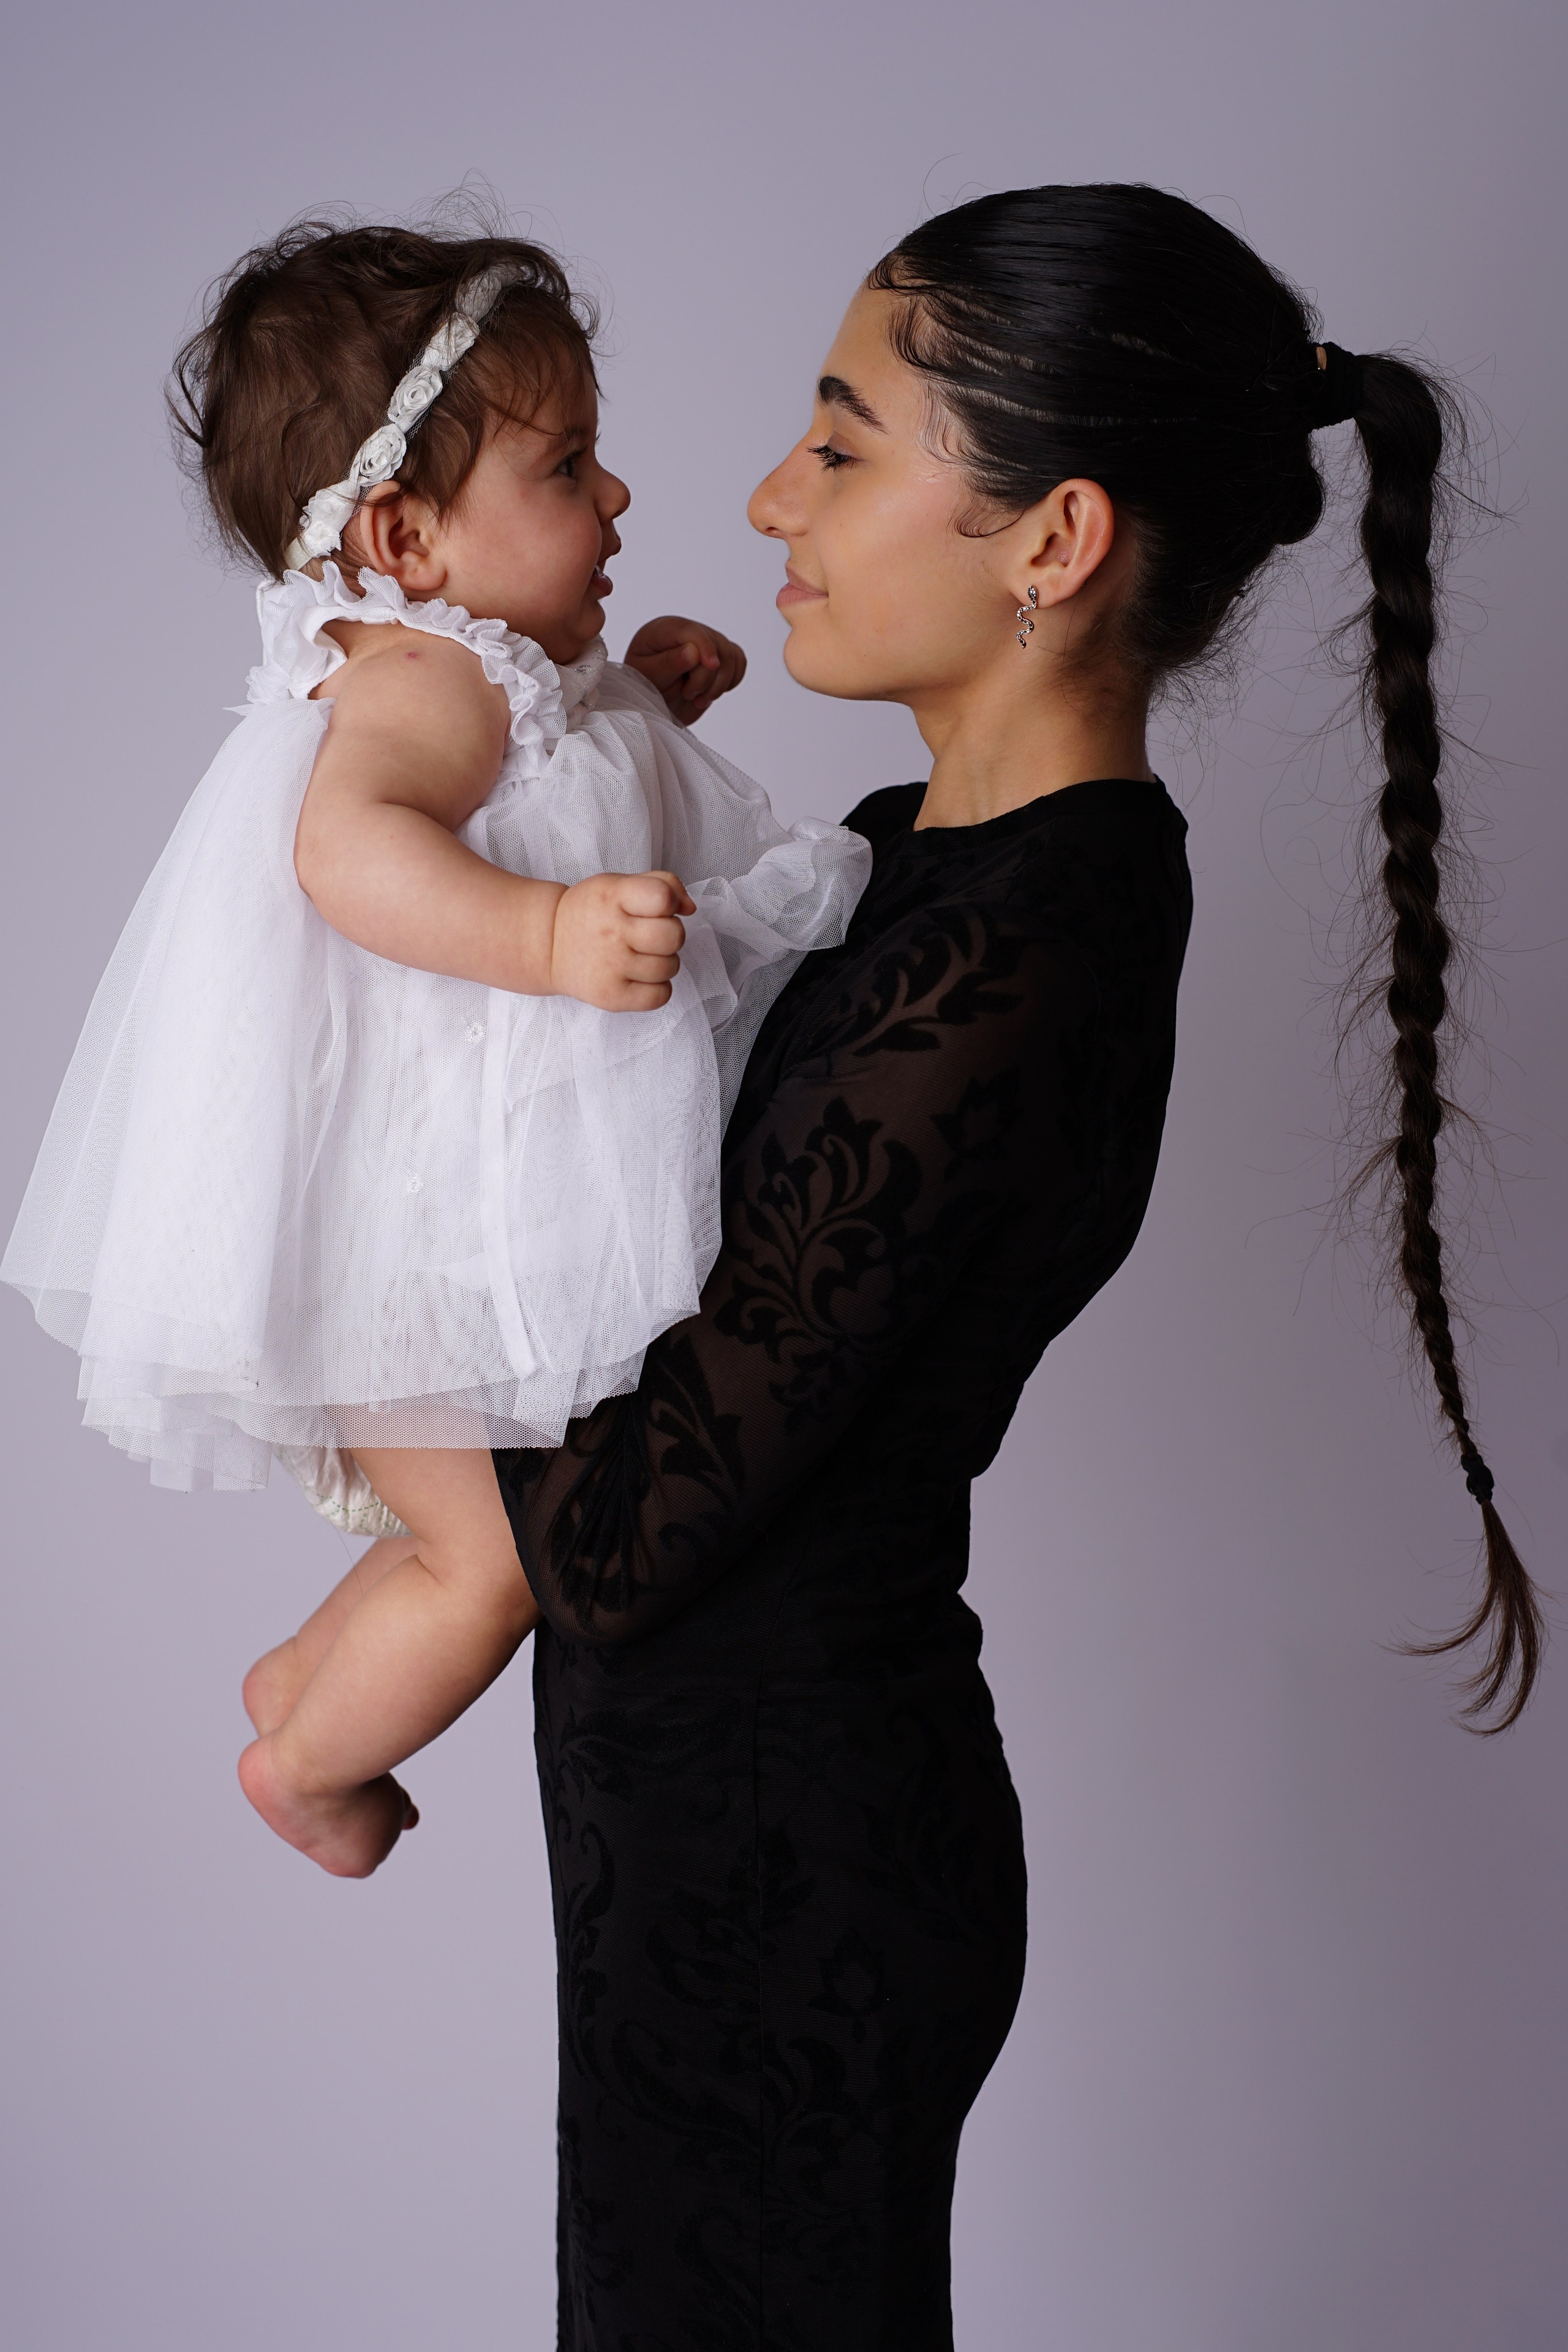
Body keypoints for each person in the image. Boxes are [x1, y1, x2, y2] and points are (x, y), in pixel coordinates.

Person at [481, 186, 1545, 2348]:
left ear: (1053, 542)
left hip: (791, 1889)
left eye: (847, 444)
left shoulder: (1024, 957)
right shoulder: (897, 866)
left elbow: (618, 1534)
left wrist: (327, 1303)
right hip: (716, 1856)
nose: (772, 494)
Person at [0, 222, 869, 1880]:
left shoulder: (490, 672)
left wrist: (639, 707)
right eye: (571, 466)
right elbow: (351, 857)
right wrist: (547, 942)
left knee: (467, 1541)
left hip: (434, 1231)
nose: (615, 501)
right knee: (495, 1569)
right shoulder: (418, 692)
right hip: (396, 1247)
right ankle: (311, 1765)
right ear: (401, 535)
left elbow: (554, 807)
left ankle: (300, 1683)